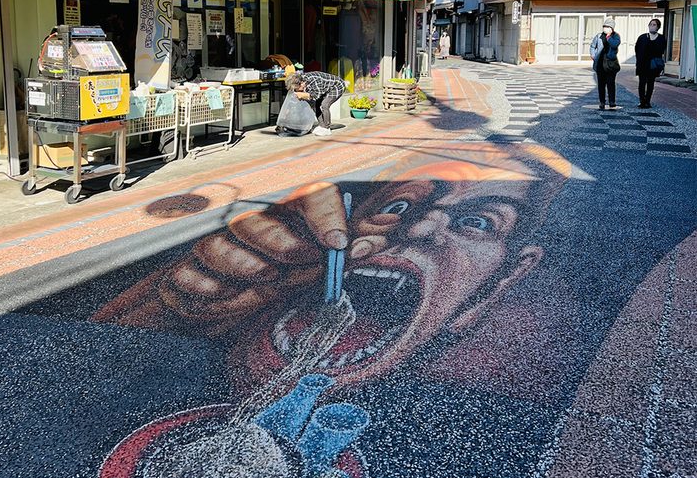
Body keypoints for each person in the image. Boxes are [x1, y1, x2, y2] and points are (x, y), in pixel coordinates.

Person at [92, 141, 572, 389]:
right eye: (402, 207)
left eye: (478, 223)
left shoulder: (491, 398)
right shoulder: (272, 280)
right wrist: (166, 311)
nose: (420, 230)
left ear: (497, 284)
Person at [286, 69, 346, 137]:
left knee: (325, 105)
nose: (296, 91)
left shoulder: (314, 81)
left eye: (296, 89)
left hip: (337, 86)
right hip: (324, 88)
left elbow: (315, 96)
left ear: (302, 83)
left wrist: (302, 95)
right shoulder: (303, 81)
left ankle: (327, 128)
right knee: (315, 105)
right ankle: (322, 126)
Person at [589, 17, 621, 110]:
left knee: (611, 83)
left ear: (612, 28)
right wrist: (593, 56)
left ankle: (612, 101)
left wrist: (609, 37)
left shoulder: (615, 36)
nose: (605, 28)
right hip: (600, 63)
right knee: (601, 84)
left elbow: (615, 45)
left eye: (608, 26)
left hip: (611, 64)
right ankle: (602, 102)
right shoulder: (599, 36)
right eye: (604, 26)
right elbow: (592, 46)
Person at [635, 18, 667, 109]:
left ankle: (647, 101)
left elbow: (662, 49)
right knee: (642, 83)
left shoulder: (661, 38)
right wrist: (638, 60)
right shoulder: (642, 37)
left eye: (654, 25)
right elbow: (637, 49)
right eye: (651, 24)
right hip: (643, 64)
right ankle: (641, 100)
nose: (652, 27)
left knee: (651, 83)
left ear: (658, 27)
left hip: (654, 64)